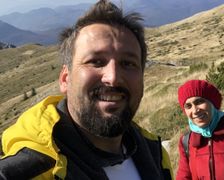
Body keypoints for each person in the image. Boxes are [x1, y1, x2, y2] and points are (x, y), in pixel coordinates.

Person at [0, 0, 172, 179]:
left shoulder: (155, 155)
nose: (113, 77)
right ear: (65, 79)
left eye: (128, 63)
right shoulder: (30, 171)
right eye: (96, 62)